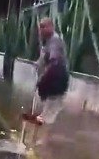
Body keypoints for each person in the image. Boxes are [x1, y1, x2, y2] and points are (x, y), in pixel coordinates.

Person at [29, 16, 69, 149]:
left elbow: (54, 64)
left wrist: (42, 80)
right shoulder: (47, 42)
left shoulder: (55, 42)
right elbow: (44, 60)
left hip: (56, 83)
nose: (40, 30)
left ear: (51, 26)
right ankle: (37, 139)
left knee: (49, 113)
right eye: (39, 27)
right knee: (44, 111)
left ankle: (43, 142)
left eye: (43, 26)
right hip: (50, 84)